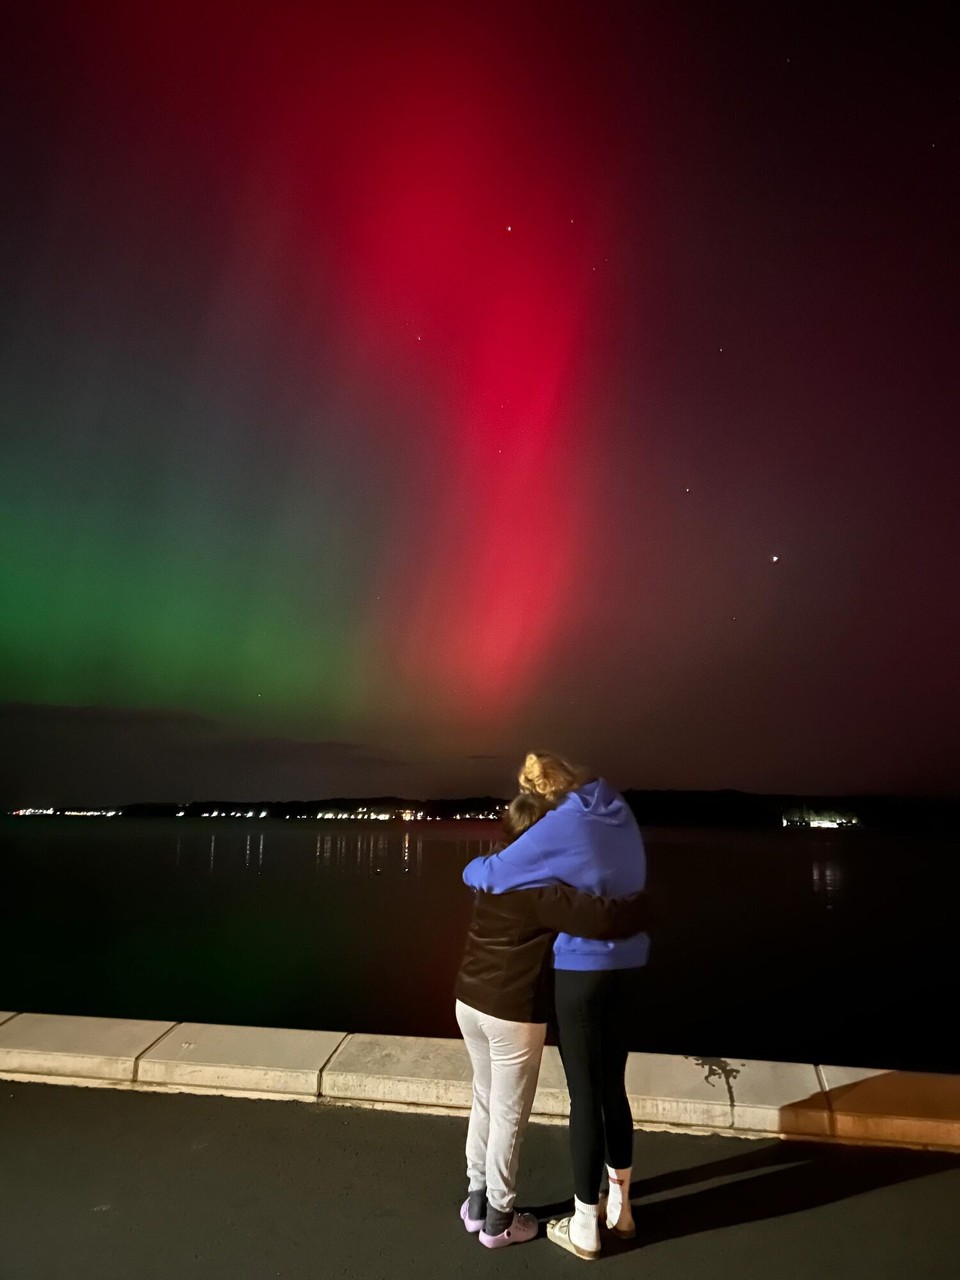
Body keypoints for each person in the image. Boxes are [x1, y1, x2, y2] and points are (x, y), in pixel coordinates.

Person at [462, 752, 649, 1260]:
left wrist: (476, 863)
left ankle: (504, 1206)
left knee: (520, 1098)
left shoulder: (520, 861)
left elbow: (483, 871)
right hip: (575, 986)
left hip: (517, 988)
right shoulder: (609, 818)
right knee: (589, 1092)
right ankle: (606, 1210)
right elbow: (612, 908)